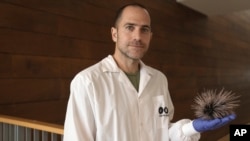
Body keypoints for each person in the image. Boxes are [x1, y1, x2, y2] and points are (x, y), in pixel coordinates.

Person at [63, 3, 236, 141]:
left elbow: (162, 131)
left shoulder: (159, 80)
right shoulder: (87, 82)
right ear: (114, 34)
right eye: (130, 27)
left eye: (144, 29)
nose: (137, 36)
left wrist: (193, 128)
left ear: (150, 36)